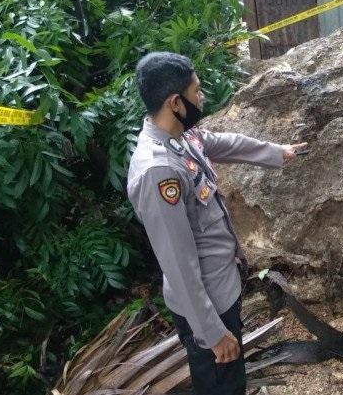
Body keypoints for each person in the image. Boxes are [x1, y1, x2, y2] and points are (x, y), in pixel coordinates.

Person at [126, 52, 305, 395]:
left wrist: (275, 151)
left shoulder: (180, 135)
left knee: (231, 380)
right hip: (206, 306)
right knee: (221, 386)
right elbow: (178, 264)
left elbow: (221, 142)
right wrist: (211, 332)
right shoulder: (158, 171)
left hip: (222, 288)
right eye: (197, 90)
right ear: (175, 102)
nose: (202, 97)